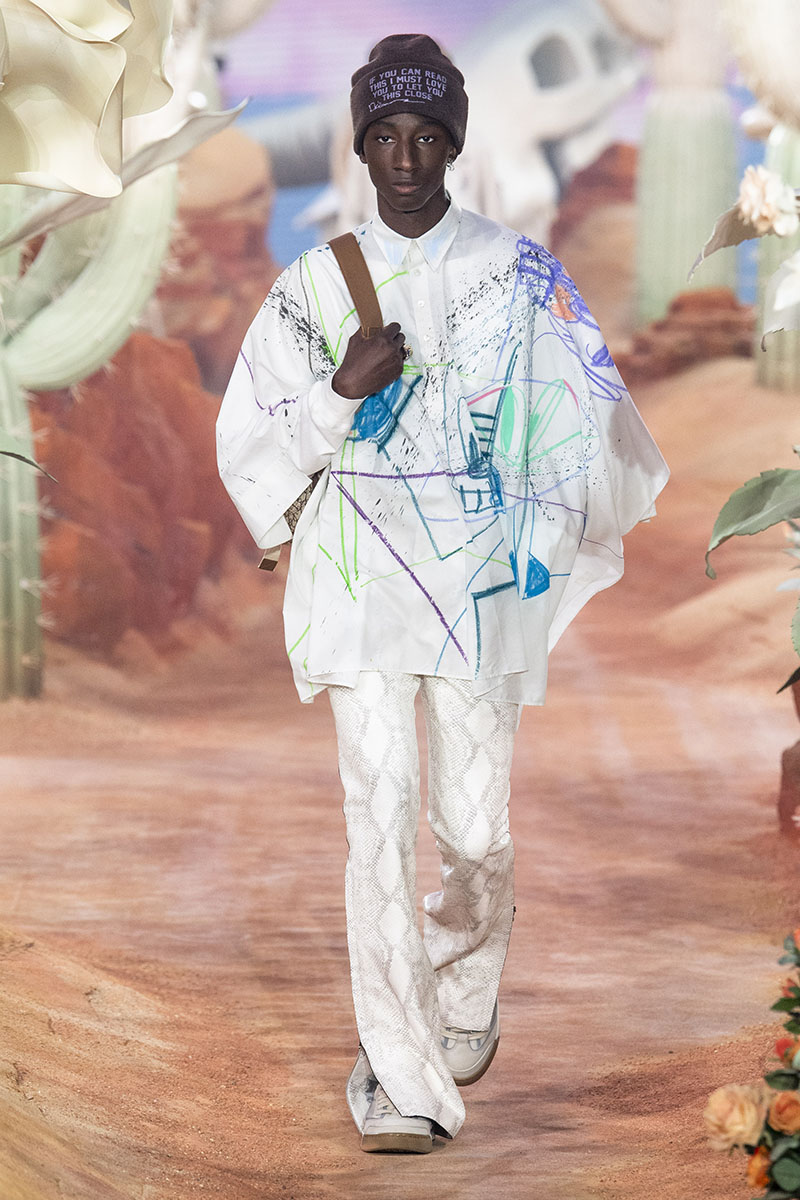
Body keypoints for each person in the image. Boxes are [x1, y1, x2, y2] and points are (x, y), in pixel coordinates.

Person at [217, 33, 668, 1155]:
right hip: (358, 586)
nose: (407, 159)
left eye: (427, 136)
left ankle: (461, 986)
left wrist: (543, 519)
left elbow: (586, 417)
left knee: (474, 832)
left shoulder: (522, 275)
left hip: (475, 591)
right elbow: (247, 445)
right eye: (386, 136)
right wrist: (339, 392)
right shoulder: (311, 288)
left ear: (455, 145)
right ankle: (403, 1076)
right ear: (362, 147)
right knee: (377, 823)